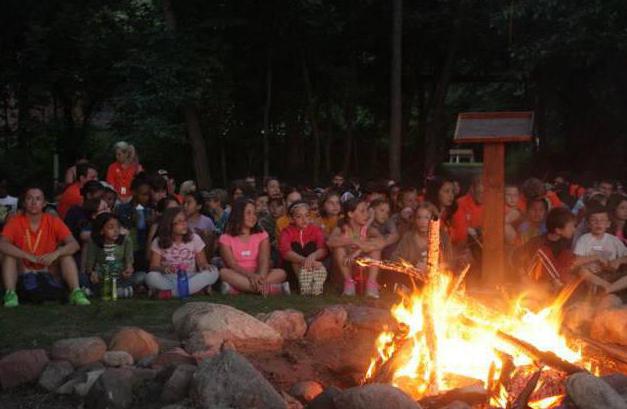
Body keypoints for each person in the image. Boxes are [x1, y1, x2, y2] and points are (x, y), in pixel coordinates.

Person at [1, 187, 90, 307]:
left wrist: (56, 253)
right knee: (9, 256)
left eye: (38, 199)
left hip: (49, 266)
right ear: (24, 203)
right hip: (23, 267)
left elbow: (74, 244)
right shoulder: (15, 221)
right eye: (29, 198)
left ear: (44, 204)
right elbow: (2, 243)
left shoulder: (53, 220)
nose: (33, 202)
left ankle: (76, 292)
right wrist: (26, 255)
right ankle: (10, 293)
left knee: (66, 255)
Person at [218, 198, 288, 295]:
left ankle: (237, 290)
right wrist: (251, 276)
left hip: (259, 272)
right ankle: (272, 289)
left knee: (281, 273)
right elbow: (232, 264)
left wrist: (260, 277)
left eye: (254, 213)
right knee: (223, 273)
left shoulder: (262, 235)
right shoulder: (225, 238)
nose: (253, 217)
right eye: (248, 213)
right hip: (238, 274)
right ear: (238, 215)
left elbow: (264, 260)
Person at [146, 207, 219, 298]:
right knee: (150, 277)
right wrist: (163, 269)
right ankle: (194, 290)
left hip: (190, 277)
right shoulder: (158, 241)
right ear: (169, 224)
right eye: (179, 222)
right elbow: (153, 267)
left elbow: (202, 263)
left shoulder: (194, 238)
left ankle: (168, 293)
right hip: (169, 278)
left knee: (213, 272)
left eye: (185, 221)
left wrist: (205, 266)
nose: (184, 224)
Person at [327, 197, 385, 298]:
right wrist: (353, 240)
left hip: (364, 265)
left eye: (367, 211)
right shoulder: (342, 228)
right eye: (362, 211)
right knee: (338, 248)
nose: (366, 214)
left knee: (375, 249)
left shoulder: (369, 230)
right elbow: (330, 242)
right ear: (350, 214)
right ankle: (349, 283)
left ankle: (371, 285)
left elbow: (381, 242)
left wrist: (358, 250)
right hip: (346, 265)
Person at [279, 201, 328, 295]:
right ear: (291, 219)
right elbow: (286, 252)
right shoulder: (286, 232)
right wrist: (305, 260)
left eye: (306, 216)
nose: (304, 219)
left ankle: (312, 284)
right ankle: (304, 284)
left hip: (312, 264)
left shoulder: (315, 230)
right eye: (299, 216)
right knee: (295, 247)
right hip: (292, 268)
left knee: (311, 246)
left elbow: (323, 249)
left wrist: (312, 257)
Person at [86, 213, 137, 298]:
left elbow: (129, 261)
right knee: (83, 279)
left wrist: (128, 270)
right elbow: (90, 264)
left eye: (118, 227)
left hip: (119, 275)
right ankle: (118, 292)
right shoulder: (94, 242)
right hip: (101, 275)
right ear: (101, 230)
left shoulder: (126, 240)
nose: (116, 230)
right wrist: (92, 273)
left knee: (140, 277)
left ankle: (99, 292)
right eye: (111, 227)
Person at [393, 202, 452, 270]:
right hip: (411, 277)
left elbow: (449, 262)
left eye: (426, 217)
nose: (422, 221)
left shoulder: (442, 237)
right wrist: (413, 266)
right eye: (419, 217)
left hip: (436, 277)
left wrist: (432, 268)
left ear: (434, 219)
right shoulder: (409, 237)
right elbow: (395, 259)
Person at [115, 176, 152, 272]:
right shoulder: (122, 209)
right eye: (143, 194)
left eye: (148, 195)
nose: (146, 198)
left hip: (143, 252)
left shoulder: (150, 210)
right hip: (126, 252)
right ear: (134, 192)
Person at [450, 177, 484, 246]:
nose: (482, 196)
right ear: (472, 190)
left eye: (485, 192)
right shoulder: (460, 204)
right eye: (479, 192)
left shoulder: (491, 204)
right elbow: (458, 229)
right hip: (466, 244)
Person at [184, 192, 216, 257]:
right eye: (184, 203)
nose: (185, 206)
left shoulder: (207, 221)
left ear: (199, 206)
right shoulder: (182, 221)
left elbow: (214, 240)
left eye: (189, 203)